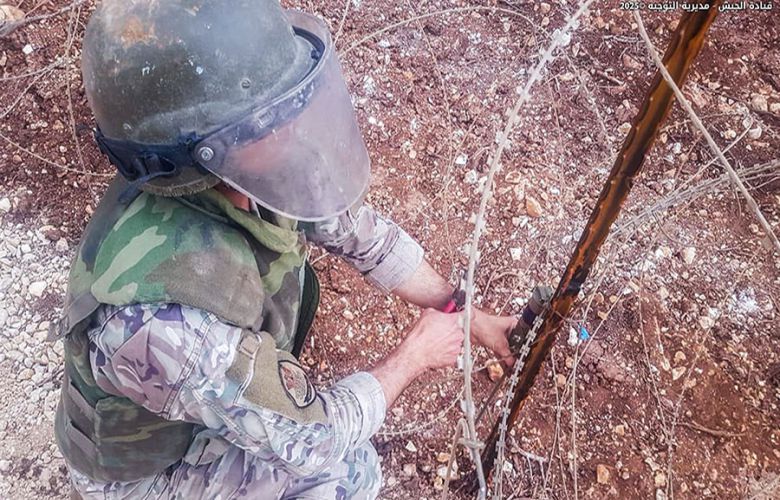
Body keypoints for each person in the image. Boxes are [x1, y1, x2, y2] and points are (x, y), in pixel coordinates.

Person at [52, 1, 517, 498]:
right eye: (269, 118)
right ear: (203, 152)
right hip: (140, 477)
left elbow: (362, 236)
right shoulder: (160, 321)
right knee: (347, 474)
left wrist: (465, 313)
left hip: (195, 401)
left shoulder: (244, 172)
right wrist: (414, 356)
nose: (292, 127)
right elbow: (313, 439)